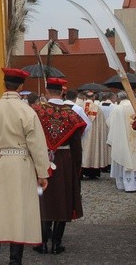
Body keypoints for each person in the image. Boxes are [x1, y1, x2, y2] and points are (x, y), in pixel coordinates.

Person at [0, 67, 50, 265]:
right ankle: (15, 261)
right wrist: (43, 172)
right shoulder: (27, 111)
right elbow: (37, 144)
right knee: (18, 212)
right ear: (21, 86)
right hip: (21, 166)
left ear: (4, 84)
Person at [31, 77, 87, 255]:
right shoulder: (72, 114)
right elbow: (77, 145)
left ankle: (42, 242)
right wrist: (76, 167)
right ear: (62, 91)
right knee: (63, 200)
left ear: (47, 91)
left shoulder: (37, 111)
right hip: (65, 160)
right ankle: (56, 243)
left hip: (43, 159)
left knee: (43, 199)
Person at [106, 91, 136, 192]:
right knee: (135, 159)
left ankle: (123, 184)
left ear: (119, 98)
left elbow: (110, 123)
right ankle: (135, 185)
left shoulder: (117, 109)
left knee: (123, 158)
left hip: (121, 139)